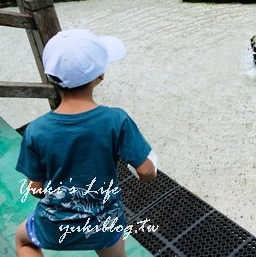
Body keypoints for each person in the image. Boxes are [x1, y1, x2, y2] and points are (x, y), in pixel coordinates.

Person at [15, 29, 157, 256]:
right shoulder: (116, 120)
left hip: (55, 226)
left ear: (51, 77)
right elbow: (146, 171)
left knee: (24, 241)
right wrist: (150, 169)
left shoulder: (36, 130)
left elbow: (35, 188)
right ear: (101, 75)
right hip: (104, 225)